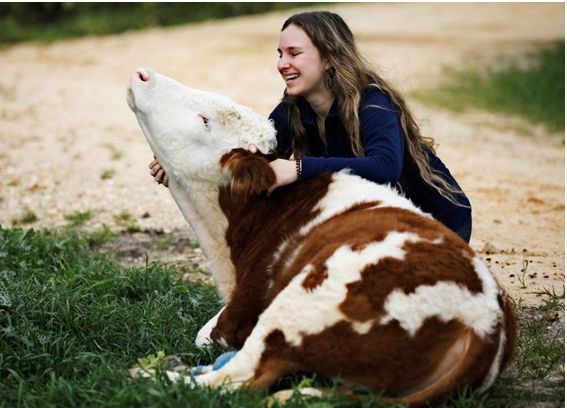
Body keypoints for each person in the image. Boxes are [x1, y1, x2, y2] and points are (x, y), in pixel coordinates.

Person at [150, 10, 472, 243]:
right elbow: (252, 159)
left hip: (438, 226)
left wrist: (299, 169)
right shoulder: (293, 110)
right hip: (380, 227)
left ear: (329, 57)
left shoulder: (373, 103)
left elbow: (385, 167)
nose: (282, 63)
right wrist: (180, 167)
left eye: (294, 53)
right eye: (280, 54)